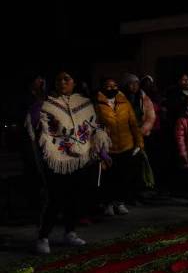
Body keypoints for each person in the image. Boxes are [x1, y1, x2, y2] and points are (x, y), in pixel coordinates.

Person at [28, 70, 111, 254]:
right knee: (55, 199)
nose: (62, 82)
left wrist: (103, 152)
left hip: (81, 159)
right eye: (58, 79)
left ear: (74, 82)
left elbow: (94, 127)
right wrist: (39, 100)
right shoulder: (47, 104)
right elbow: (35, 124)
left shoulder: (84, 103)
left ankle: (70, 232)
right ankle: (43, 236)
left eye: (67, 78)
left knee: (75, 198)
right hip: (57, 159)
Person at [95, 78, 145, 216]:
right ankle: (108, 203)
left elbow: (134, 124)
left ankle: (120, 202)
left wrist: (139, 142)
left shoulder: (125, 102)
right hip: (108, 147)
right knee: (109, 177)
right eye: (108, 86)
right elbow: (95, 126)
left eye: (115, 85)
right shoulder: (98, 104)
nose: (112, 88)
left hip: (126, 145)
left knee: (123, 176)